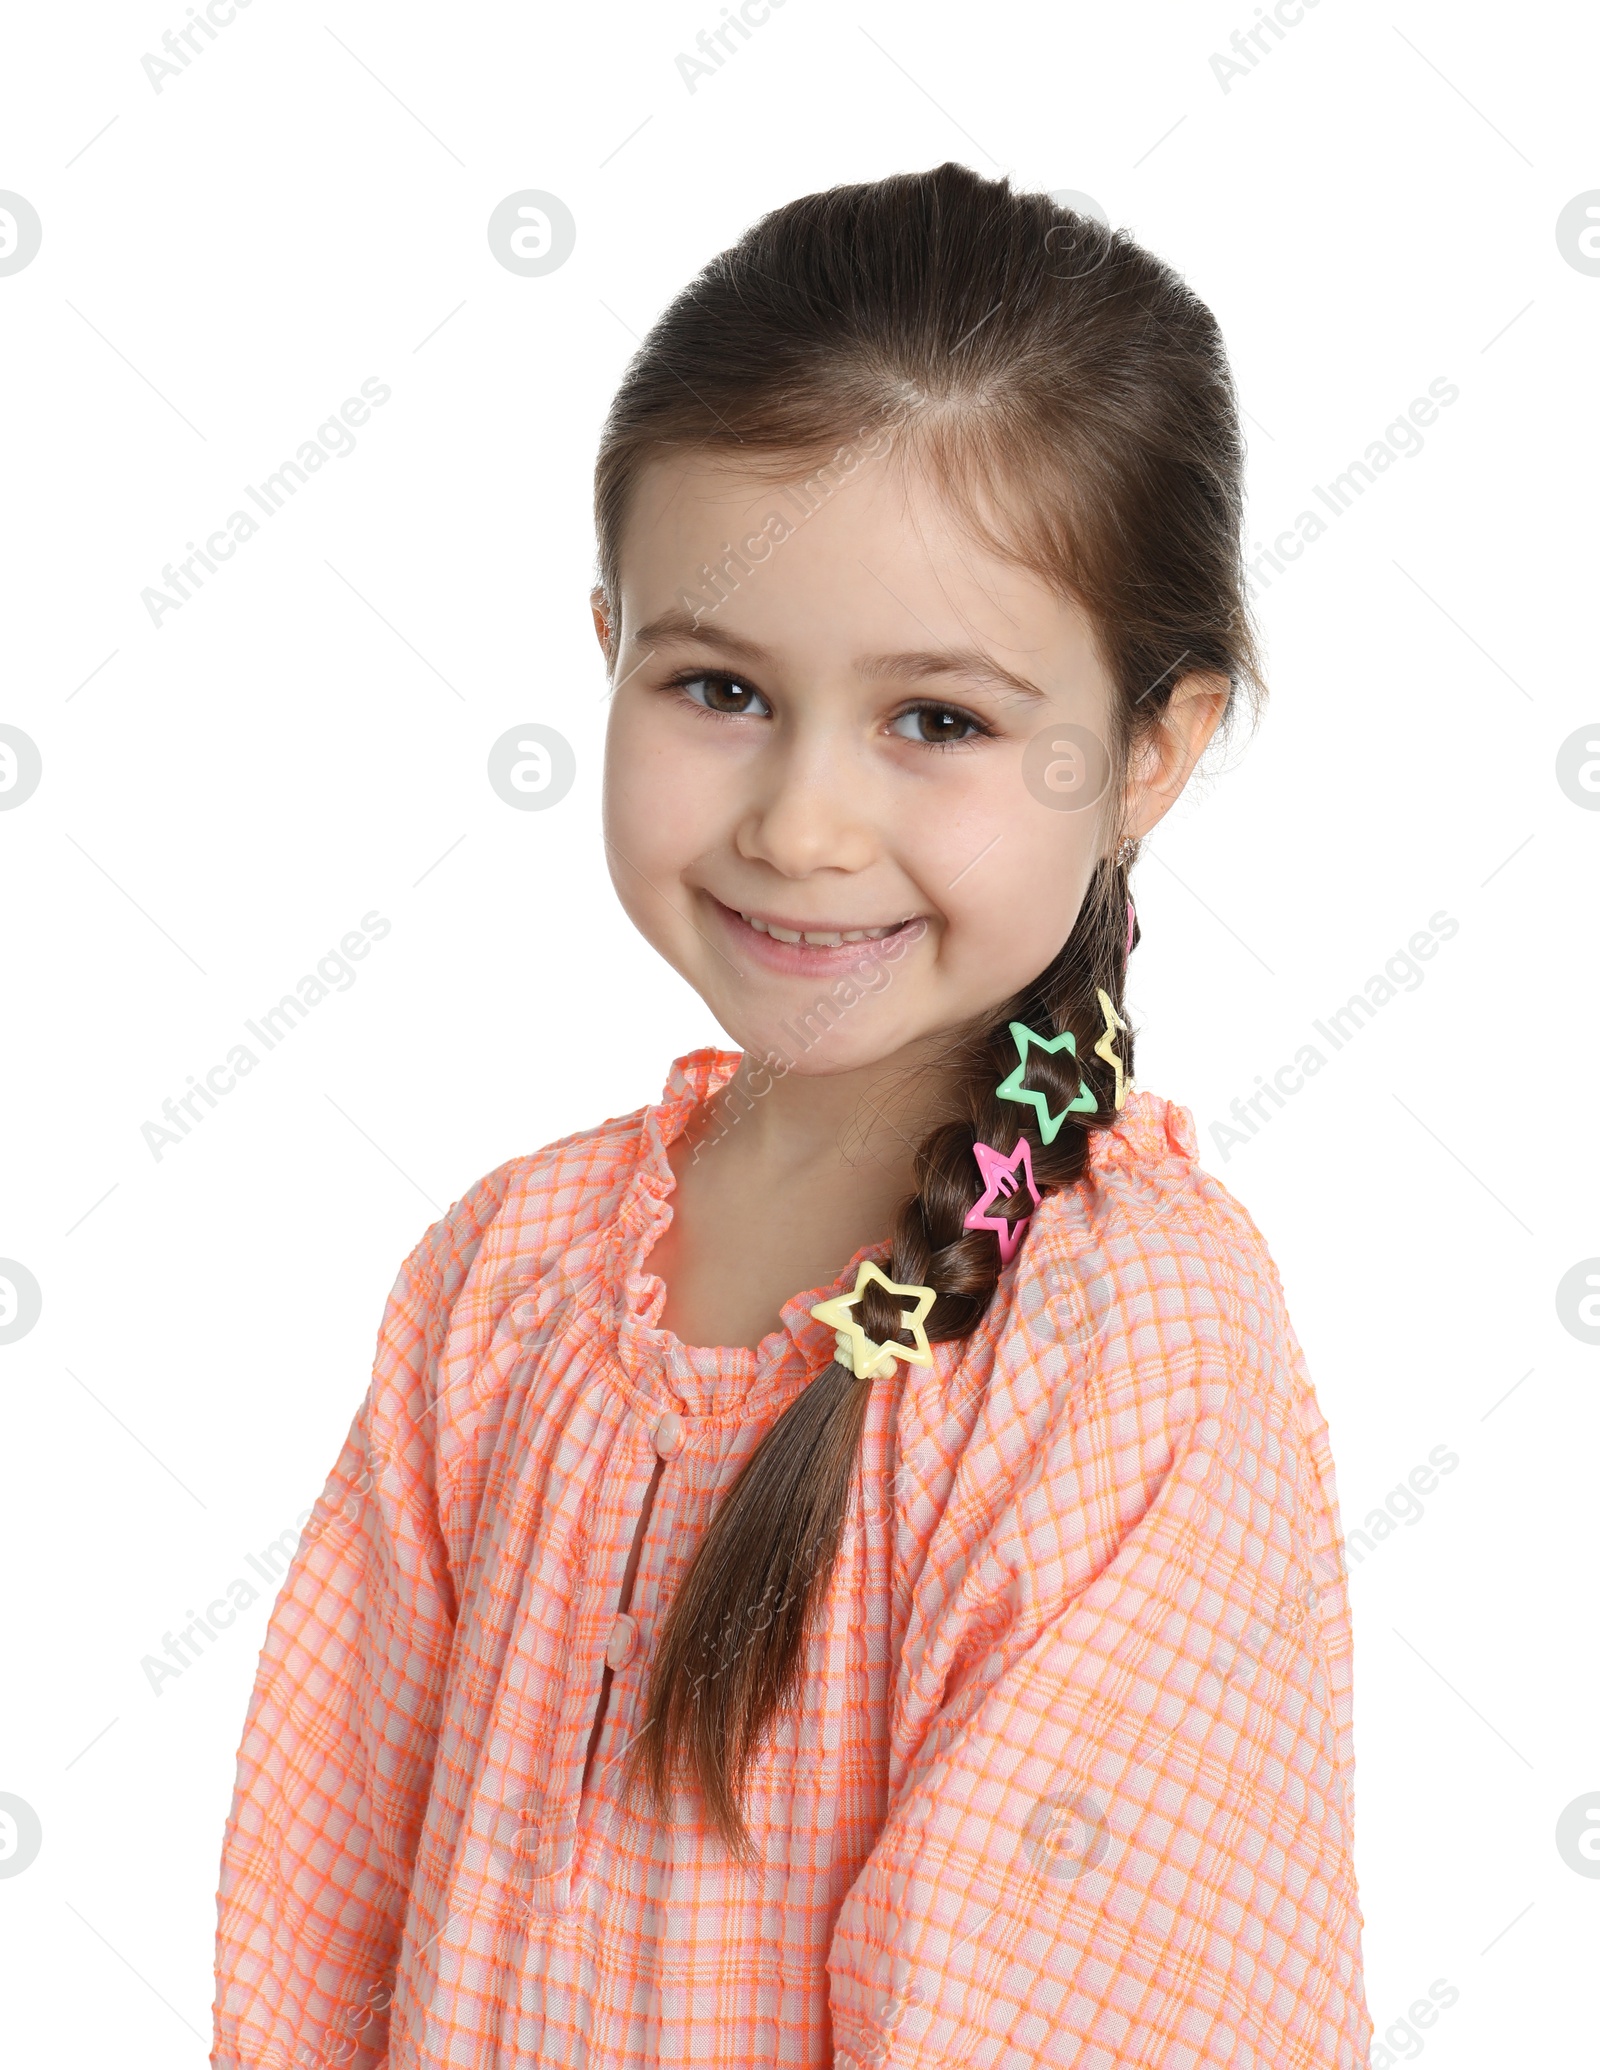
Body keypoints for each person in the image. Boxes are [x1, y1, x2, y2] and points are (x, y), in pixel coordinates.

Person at [211, 162, 1371, 2069]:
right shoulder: (505, 1279)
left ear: (1151, 747)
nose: (803, 826)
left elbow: (1075, 2014)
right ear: (608, 646)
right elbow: (320, 1909)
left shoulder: (1123, 1351)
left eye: (940, 720)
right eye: (723, 685)